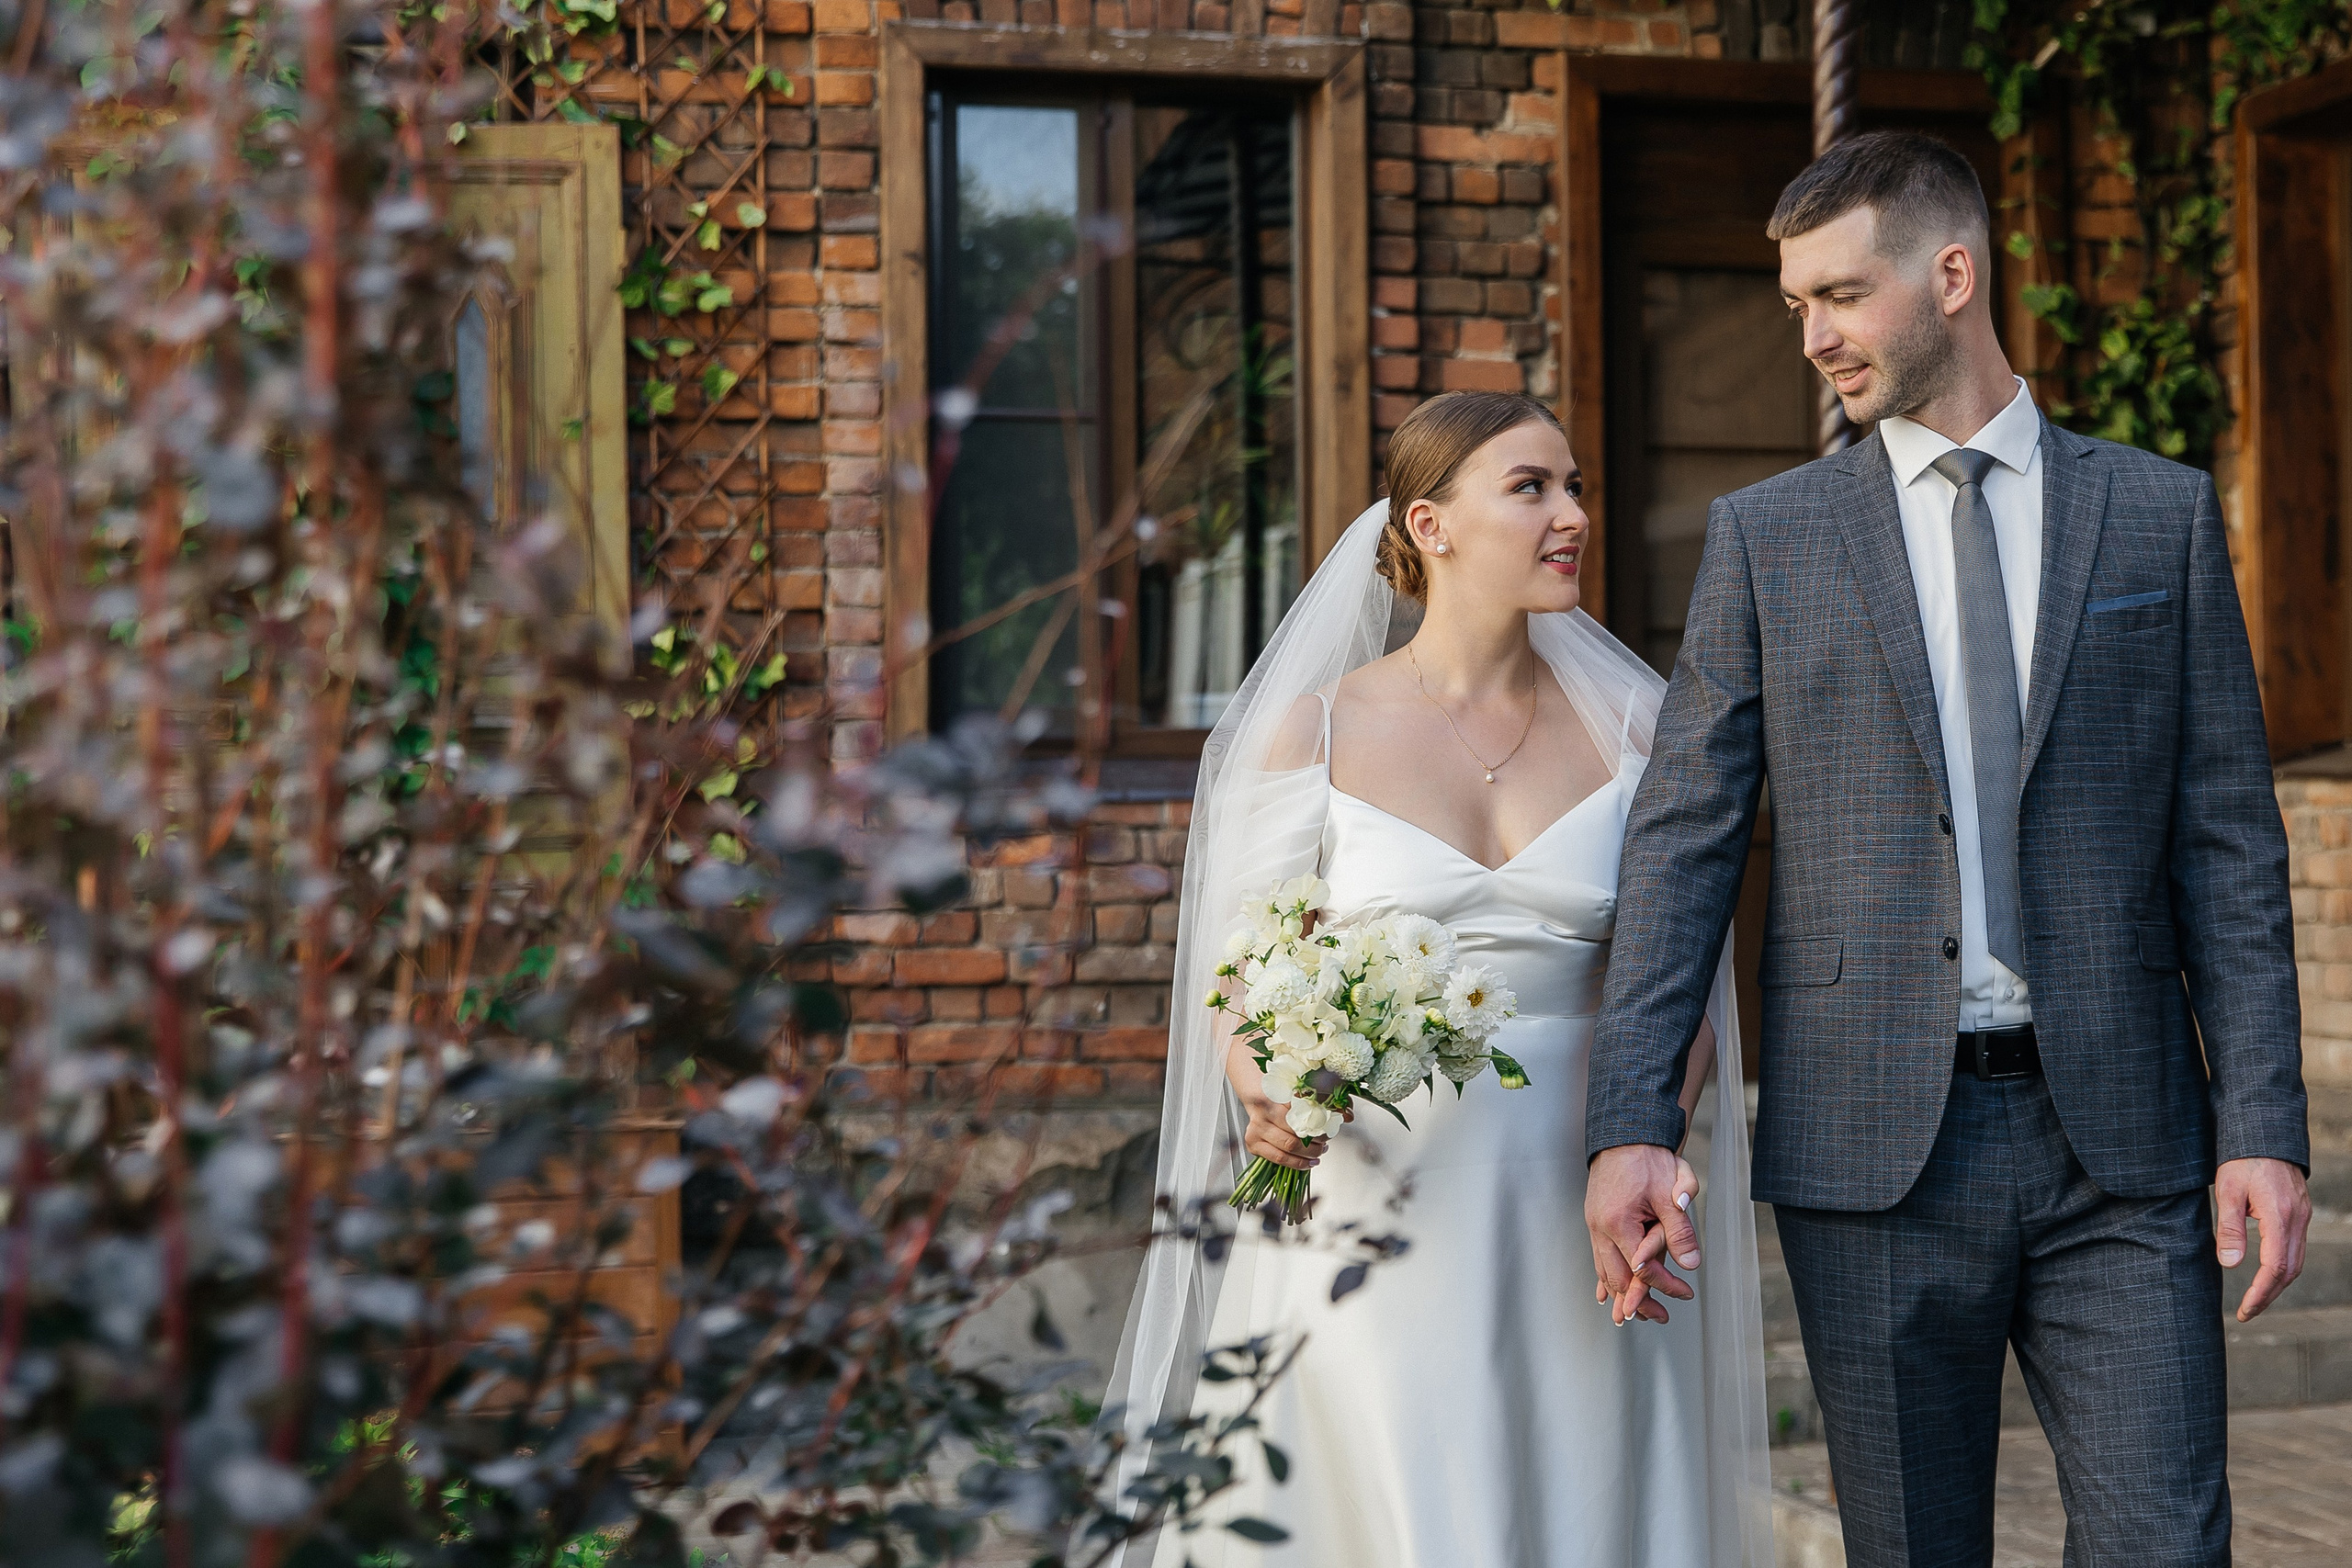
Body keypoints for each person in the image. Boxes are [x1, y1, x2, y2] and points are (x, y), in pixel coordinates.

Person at [1584, 130, 2312, 1567]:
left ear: (1955, 276)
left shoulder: (2157, 513)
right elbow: (1684, 841)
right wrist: (1631, 1116)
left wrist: (2265, 1125)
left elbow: (2230, 843)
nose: (1814, 337)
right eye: (1798, 304)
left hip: (2124, 1144)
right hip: (1872, 1148)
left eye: (1843, 295)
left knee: (2168, 1543)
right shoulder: (1769, 538)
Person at [1099, 391, 1773, 1568]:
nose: (1571, 515)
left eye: (1575, 487)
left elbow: (1680, 982)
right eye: (1531, 488)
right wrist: (1261, 1083)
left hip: (1588, 1196)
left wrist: (1649, 1143)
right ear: (1431, 523)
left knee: (1590, 1495)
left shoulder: (1641, 733)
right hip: (1378, 1197)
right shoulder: (1310, 733)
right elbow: (1238, 977)